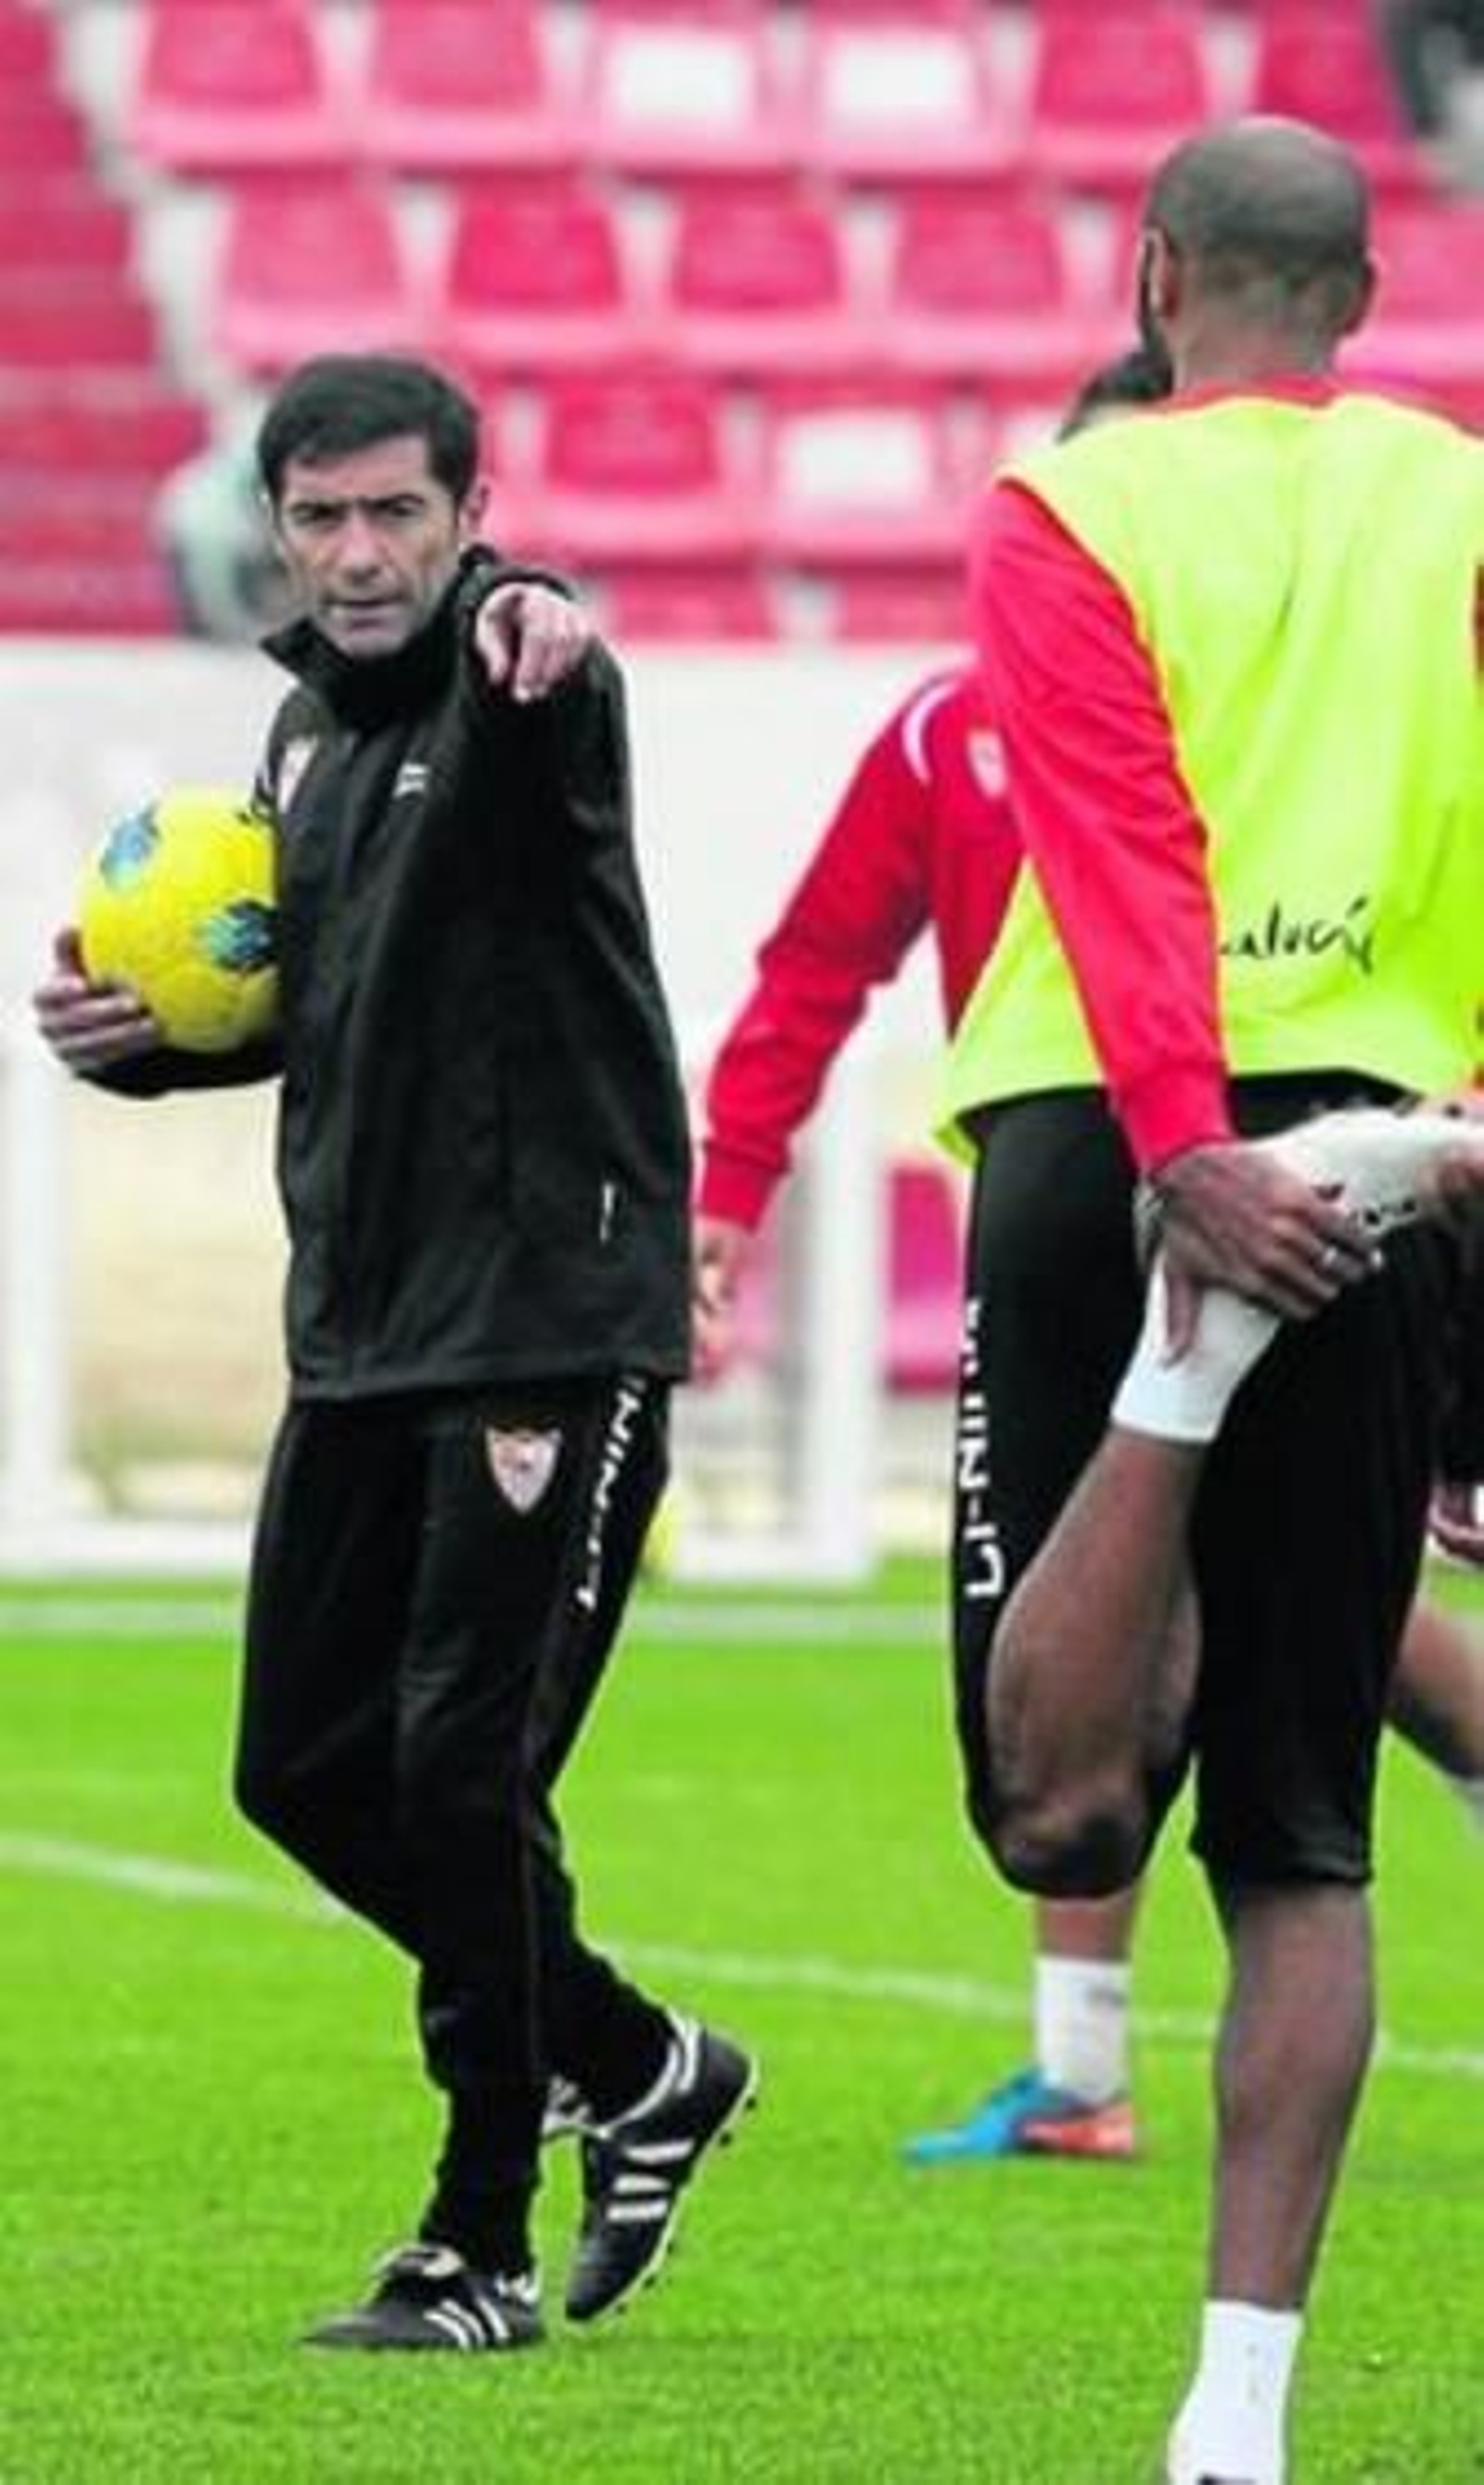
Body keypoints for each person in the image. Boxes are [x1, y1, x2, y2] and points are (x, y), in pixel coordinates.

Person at [32, 352, 758, 2356]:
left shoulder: (527, 681)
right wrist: (167, 1051)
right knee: (298, 1768)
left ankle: (478, 2243)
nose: (360, 554)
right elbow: (355, 1010)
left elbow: (553, 656)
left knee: (461, 1768)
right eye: (324, 516)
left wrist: (542, 620)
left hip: (548, 1313)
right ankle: (641, 2061)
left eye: (399, 519)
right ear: (276, 521)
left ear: (464, 517)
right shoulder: (302, 735)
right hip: (363, 1322)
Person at [695, 343, 1484, 2172]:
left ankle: (1077, 2071)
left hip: (1286, 1191)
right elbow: (815, 965)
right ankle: (1078, 2067)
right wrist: (722, 1199)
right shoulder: (947, 733)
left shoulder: (1342, 730)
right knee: (1199, 1634)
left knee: (1223, 1646)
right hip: (1075, 1215)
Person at [937, 120, 1484, 2485]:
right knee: (1299, 1836)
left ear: (1154, 274)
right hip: (1378, 1150)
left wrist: (1177, 1153)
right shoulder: (1451, 498)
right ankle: (1230, 2416)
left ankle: (1174, 1375)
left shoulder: (1069, 504)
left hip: (1102, 1136)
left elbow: (1112, 828)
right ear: (1358, 298)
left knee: (1050, 1800)